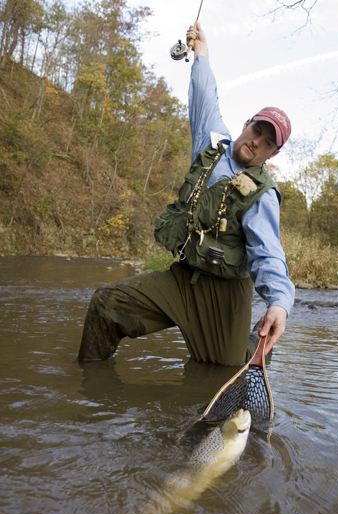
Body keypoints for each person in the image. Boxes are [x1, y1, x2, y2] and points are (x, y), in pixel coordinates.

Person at [78, 23, 295, 366]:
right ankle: (89, 394)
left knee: (221, 377)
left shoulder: (263, 196)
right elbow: (204, 92)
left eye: (268, 142)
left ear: (273, 154)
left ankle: (247, 344)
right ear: (247, 124)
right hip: (183, 280)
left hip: (226, 296)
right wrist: (201, 51)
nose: (256, 142)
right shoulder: (211, 142)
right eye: (257, 130)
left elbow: (268, 254)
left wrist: (279, 303)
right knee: (106, 304)